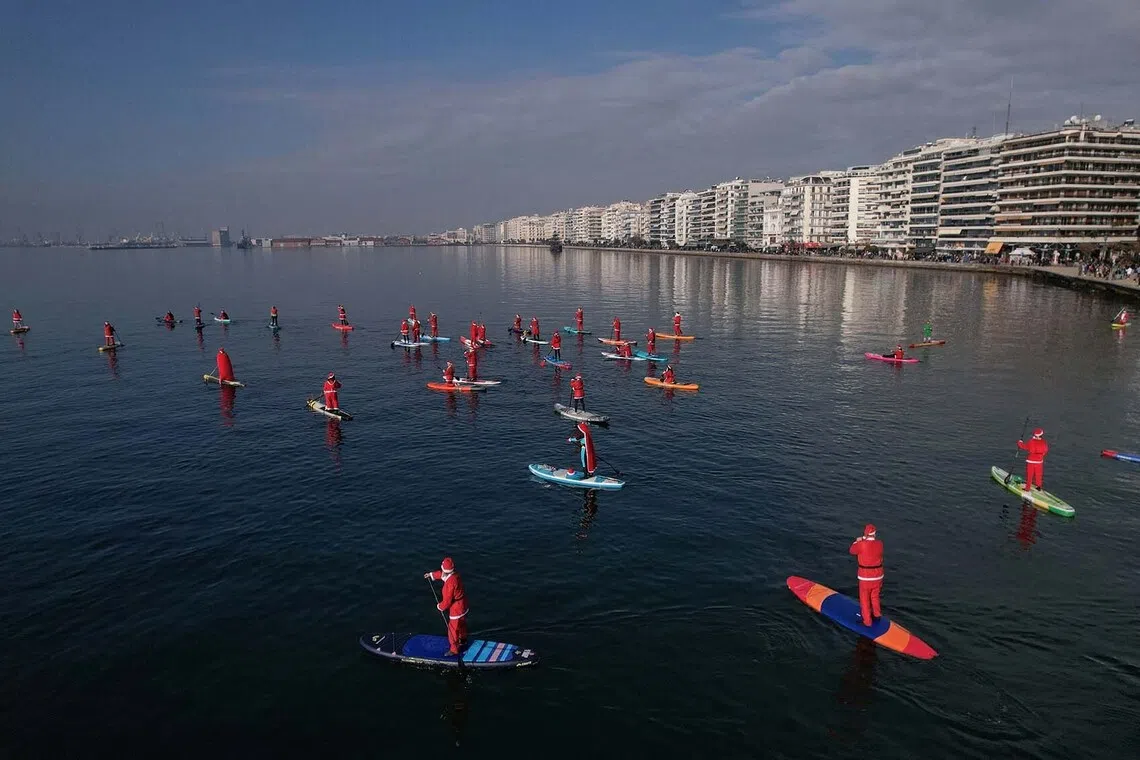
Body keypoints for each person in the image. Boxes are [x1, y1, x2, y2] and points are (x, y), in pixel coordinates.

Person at [424, 557, 468, 657]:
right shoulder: (455, 576)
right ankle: (463, 640)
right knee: (462, 625)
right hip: (463, 604)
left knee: (453, 629)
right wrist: (431, 575)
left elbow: (447, 601)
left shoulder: (450, 583)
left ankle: (454, 650)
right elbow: (442, 575)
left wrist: (440, 606)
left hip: (456, 608)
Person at [849, 524, 884, 628]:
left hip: (866, 577)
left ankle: (867, 621)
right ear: (875, 534)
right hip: (878, 575)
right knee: (875, 595)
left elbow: (852, 550)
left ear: (865, 533)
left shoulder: (861, 545)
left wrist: (858, 541)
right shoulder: (880, 544)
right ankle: (877, 615)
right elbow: (871, 544)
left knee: (864, 598)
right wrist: (864, 539)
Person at [1017, 428, 1049, 492]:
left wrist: (1019, 442)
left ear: (1035, 435)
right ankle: (1039, 487)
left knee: (1030, 475)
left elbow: (1024, 447)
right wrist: (1041, 456)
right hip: (1039, 461)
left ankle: (1027, 489)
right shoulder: (1044, 443)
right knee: (1038, 474)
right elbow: (1045, 450)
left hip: (1031, 461)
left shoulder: (1032, 442)